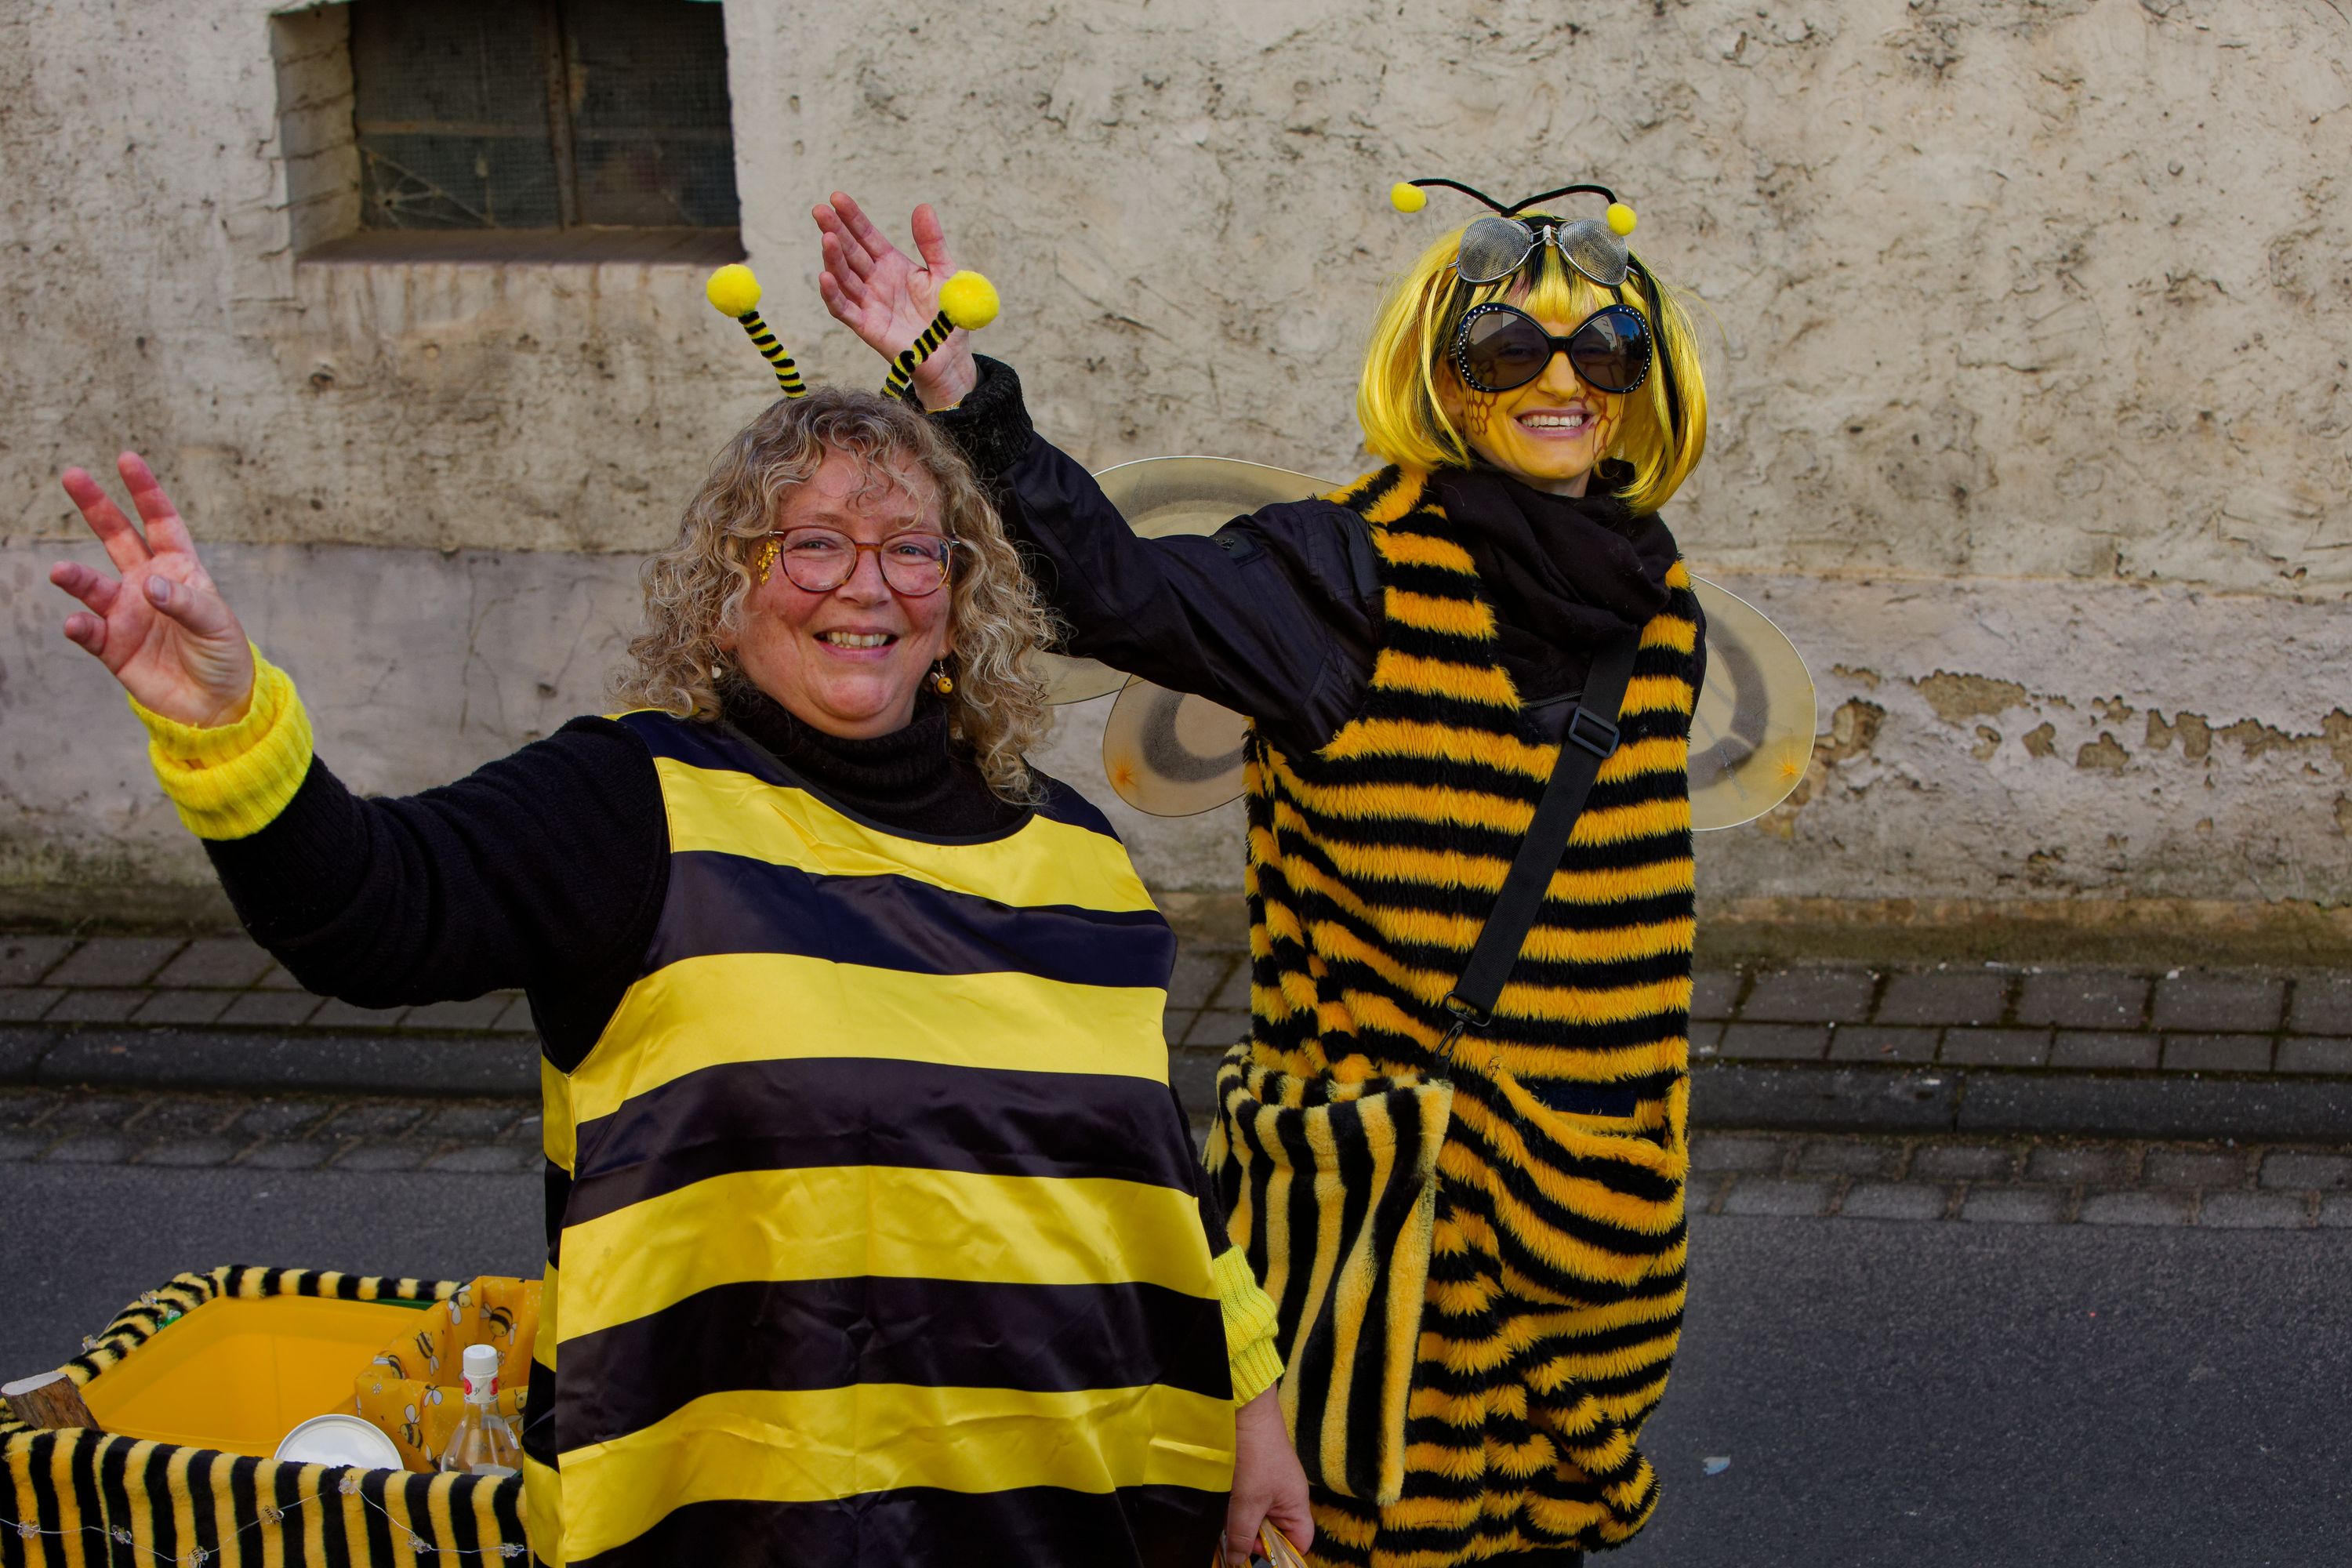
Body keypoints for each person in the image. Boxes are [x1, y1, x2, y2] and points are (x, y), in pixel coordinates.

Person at [47, 387, 1314, 1566]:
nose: (864, 585)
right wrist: (225, 729)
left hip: (1075, 1510)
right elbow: (373, 914)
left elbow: (1151, 1169)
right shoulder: (628, 803)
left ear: (957, 604)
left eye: (909, 549)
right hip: (748, 1525)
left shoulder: (1072, 851)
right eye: (809, 544)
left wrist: (1251, 1391)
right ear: (725, 597)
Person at [811, 182, 1710, 1568]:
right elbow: (1112, 588)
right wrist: (959, 390)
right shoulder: (1342, 574)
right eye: (1507, 352)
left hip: (1588, 1228)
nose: (1559, 382)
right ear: (1441, 376)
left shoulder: (1658, 603)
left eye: (1600, 351)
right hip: (1378, 1240)